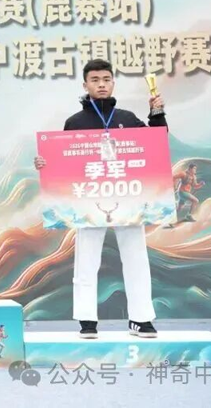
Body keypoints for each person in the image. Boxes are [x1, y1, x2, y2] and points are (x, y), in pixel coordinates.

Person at [34, 59, 167, 339]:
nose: (101, 84)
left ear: (113, 83)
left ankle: (141, 319)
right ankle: (87, 320)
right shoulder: (75, 122)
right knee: (87, 260)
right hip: (89, 200)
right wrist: (44, 163)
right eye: (95, 80)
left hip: (127, 197)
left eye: (106, 79)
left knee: (136, 258)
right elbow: (62, 160)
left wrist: (157, 113)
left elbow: (157, 143)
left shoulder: (128, 118)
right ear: (85, 85)